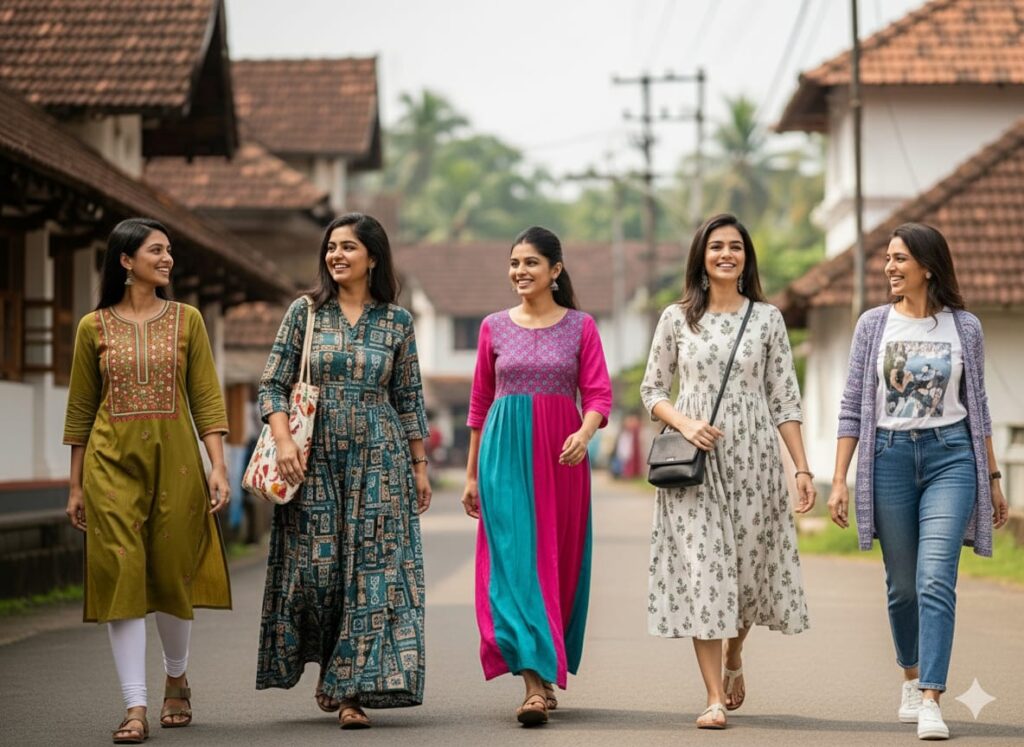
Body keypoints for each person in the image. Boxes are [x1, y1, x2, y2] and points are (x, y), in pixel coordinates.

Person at [828, 222, 1009, 741]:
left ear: (927, 266)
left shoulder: (965, 327)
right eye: (888, 258)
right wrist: (838, 479)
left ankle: (931, 695)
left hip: (952, 457)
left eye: (900, 259)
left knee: (935, 579)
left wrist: (992, 477)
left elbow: (979, 408)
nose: (890, 267)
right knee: (902, 587)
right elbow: (849, 408)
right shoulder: (872, 326)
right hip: (886, 458)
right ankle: (910, 674)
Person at [256, 213, 431, 730]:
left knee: (371, 574)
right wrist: (284, 440)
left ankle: (351, 690)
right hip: (313, 458)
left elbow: (409, 398)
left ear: (372, 257)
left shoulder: (397, 321)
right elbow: (272, 384)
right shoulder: (305, 312)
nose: (336, 255)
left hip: (381, 456)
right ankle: (331, 669)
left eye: (348, 247)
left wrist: (420, 467)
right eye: (331, 247)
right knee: (319, 571)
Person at [640, 213, 815, 729]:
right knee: (704, 573)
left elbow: (784, 399)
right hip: (694, 465)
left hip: (755, 460)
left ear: (746, 257)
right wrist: (686, 423)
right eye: (716, 246)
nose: (726, 254)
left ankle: (735, 655)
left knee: (745, 575)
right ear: (701, 255)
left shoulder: (767, 319)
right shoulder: (676, 318)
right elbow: (652, 390)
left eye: (735, 247)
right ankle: (714, 696)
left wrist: (802, 468)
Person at [63, 218, 232, 744]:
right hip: (110, 465)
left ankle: (175, 677)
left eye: (169, 251)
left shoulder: (187, 321)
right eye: (156, 250)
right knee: (122, 573)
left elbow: (205, 396)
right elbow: (81, 410)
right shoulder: (93, 327)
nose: (167, 259)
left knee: (171, 572)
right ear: (125, 260)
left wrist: (218, 465)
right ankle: (134, 706)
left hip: (177, 461)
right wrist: (74, 485)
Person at [462, 226, 612, 726]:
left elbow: (598, 395)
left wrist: (585, 434)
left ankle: (545, 669)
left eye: (530, 263)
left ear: (555, 269)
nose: (520, 272)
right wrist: (469, 476)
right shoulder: (492, 327)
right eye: (514, 263)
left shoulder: (581, 326)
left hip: (562, 456)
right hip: (502, 456)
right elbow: (480, 403)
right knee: (513, 564)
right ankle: (530, 682)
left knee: (558, 561)